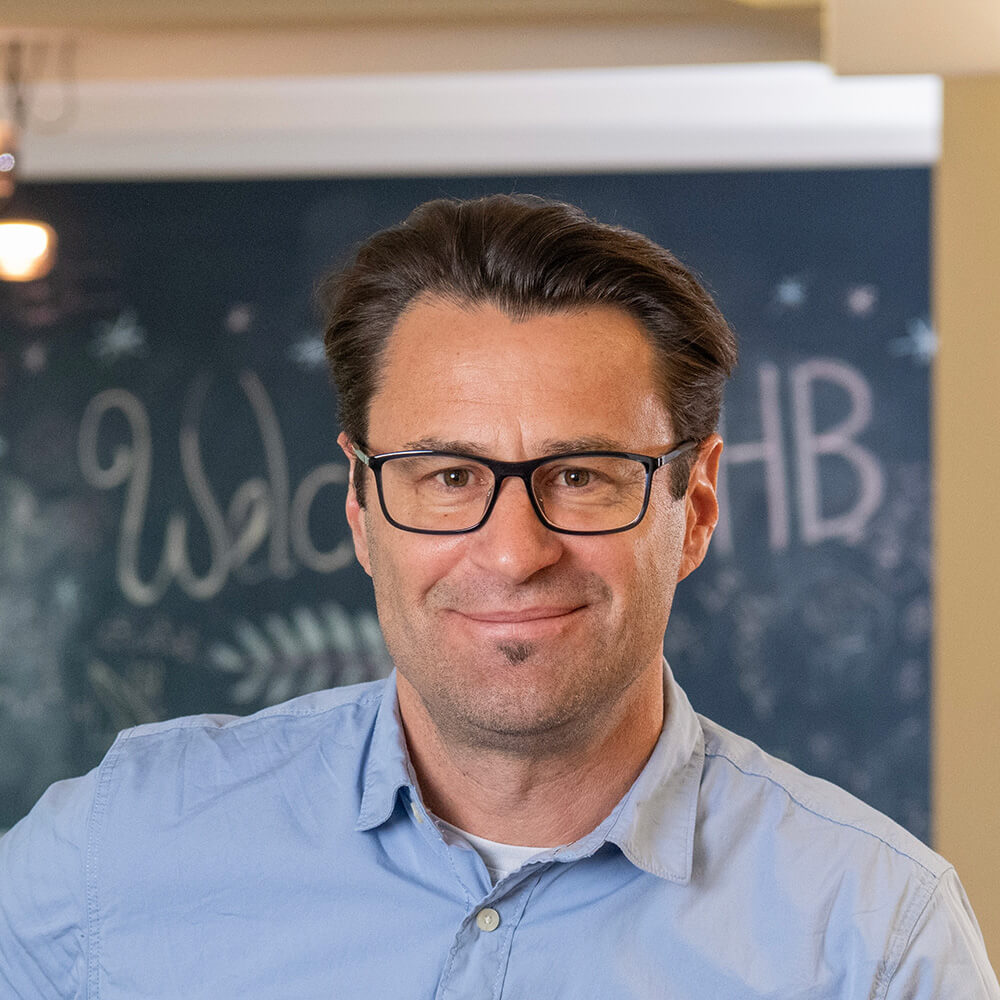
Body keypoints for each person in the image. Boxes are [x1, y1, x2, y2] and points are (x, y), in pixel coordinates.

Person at [1, 194, 996, 999]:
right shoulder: (119, 847)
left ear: (694, 507)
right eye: (447, 476)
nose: (515, 553)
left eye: (583, 476)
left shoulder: (873, 936)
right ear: (360, 506)